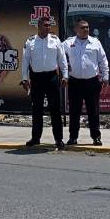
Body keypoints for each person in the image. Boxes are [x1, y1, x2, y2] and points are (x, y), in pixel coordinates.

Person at [20, 16, 68, 150]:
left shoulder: (55, 40)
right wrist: (25, 78)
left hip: (52, 77)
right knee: (37, 109)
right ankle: (35, 138)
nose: (48, 28)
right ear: (39, 26)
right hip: (37, 78)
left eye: (49, 25)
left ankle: (58, 139)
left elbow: (62, 59)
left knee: (55, 110)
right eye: (45, 25)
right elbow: (25, 61)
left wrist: (65, 76)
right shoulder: (30, 41)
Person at [64, 19, 109, 146]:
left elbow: (103, 60)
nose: (86, 29)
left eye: (87, 27)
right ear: (76, 29)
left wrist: (105, 77)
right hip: (74, 82)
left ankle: (96, 137)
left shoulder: (95, 42)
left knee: (93, 111)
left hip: (92, 82)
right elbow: (59, 55)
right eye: (83, 27)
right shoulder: (68, 43)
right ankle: (73, 137)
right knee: (74, 111)